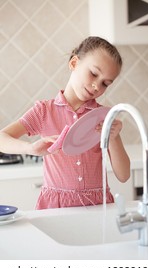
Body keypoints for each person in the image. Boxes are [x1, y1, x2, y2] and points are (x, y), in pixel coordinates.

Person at [0, 36, 130, 209]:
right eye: (93, 74)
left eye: (105, 83)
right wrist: (30, 149)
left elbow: (124, 175)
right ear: (74, 63)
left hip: (97, 207)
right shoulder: (44, 111)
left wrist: (114, 137)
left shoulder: (103, 117)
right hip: (55, 206)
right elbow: (2, 137)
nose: (96, 86)